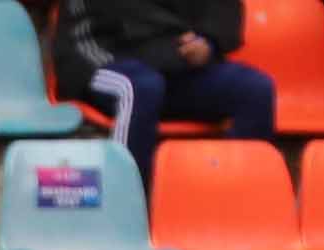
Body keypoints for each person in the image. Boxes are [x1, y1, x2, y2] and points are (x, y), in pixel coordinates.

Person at [57, 0, 277, 177]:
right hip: (106, 58)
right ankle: (124, 199)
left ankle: (234, 198)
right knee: (141, 87)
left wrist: (207, 43)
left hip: (174, 63)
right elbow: (103, 21)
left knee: (255, 90)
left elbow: (223, 11)